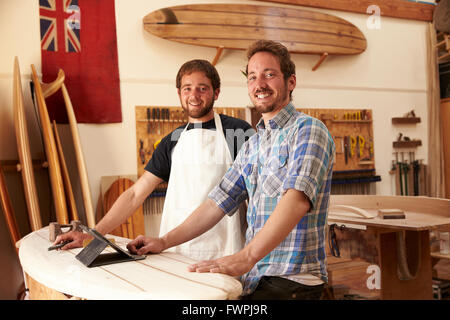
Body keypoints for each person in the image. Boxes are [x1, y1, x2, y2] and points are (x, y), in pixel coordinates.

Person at [126, 40, 336, 300]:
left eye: (269, 75)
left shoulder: (308, 130)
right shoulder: (254, 144)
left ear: (291, 82)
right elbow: (217, 202)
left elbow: (296, 201)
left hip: (293, 281)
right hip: (256, 279)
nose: (259, 85)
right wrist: (165, 241)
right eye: (252, 77)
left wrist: (244, 257)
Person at [54, 59, 254, 261]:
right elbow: (135, 194)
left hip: (226, 251)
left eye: (202, 88)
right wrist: (92, 234)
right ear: (179, 93)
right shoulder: (171, 141)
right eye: (187, 89)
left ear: (216, 92)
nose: (194, 96)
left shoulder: (237, 131)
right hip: (175, 251)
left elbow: (255, 193)